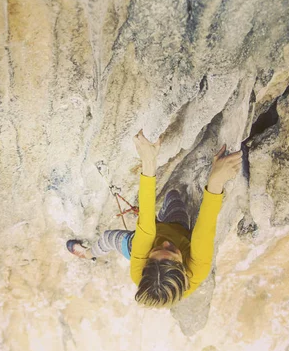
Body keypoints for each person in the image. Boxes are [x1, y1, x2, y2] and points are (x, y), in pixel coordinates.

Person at [67, 130, 242, 307]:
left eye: (156, 253)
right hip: (177, 228)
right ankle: (161, 226)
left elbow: (146, 227)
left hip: (136, 245)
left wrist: (148, 160)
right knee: (173, 196)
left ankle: (88, 254)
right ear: (183, 268)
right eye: (172, 251)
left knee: (108, 238)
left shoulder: (139, 272)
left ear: (147, 263)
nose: (165, 243)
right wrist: (216, 180)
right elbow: (203, 232)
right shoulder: (197, 270)